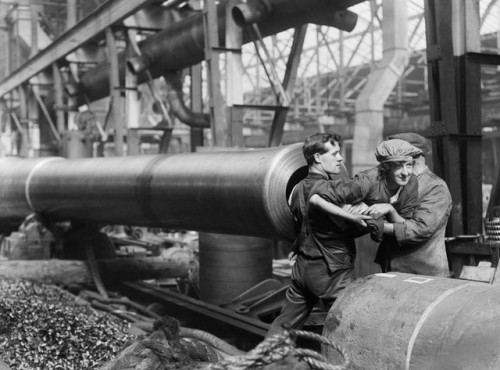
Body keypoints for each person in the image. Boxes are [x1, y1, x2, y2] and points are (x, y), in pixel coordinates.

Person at [267, 132, 371, 337]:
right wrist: (368, 216)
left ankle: (266, 361)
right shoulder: (328, 190)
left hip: (303, 269)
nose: (340, 158)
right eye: (334, 153)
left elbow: (303, 224)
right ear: (317, 158)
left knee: (284, 328)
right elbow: (352, 228)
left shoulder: (296, 188)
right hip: (331, 272)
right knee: (349, 326)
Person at [309, 138, 423, 273]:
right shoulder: (367, 181)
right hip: (331, 238)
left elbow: (407, 226)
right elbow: (317, 192)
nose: (405, 173)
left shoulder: (411, 183)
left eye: (409, 165)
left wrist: (390, 209)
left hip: (387, 246)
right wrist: (348, 209)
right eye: (398, 166)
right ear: (386, 167)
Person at [383, 132, 451, 277]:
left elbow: (420, 229)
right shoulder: (398, 184)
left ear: (414, 155)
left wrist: (380, 226)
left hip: (425, 275)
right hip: (395, 272)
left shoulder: (435, 187)